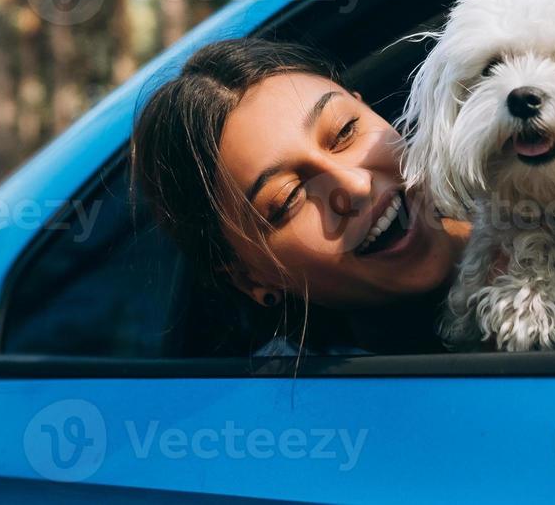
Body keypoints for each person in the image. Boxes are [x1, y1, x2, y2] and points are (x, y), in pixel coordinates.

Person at [131, 37, 470, 355]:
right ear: (251, 278)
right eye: (288, 198)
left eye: (344, 132)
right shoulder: (294, 409)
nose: (354, 186)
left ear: (364, 105)